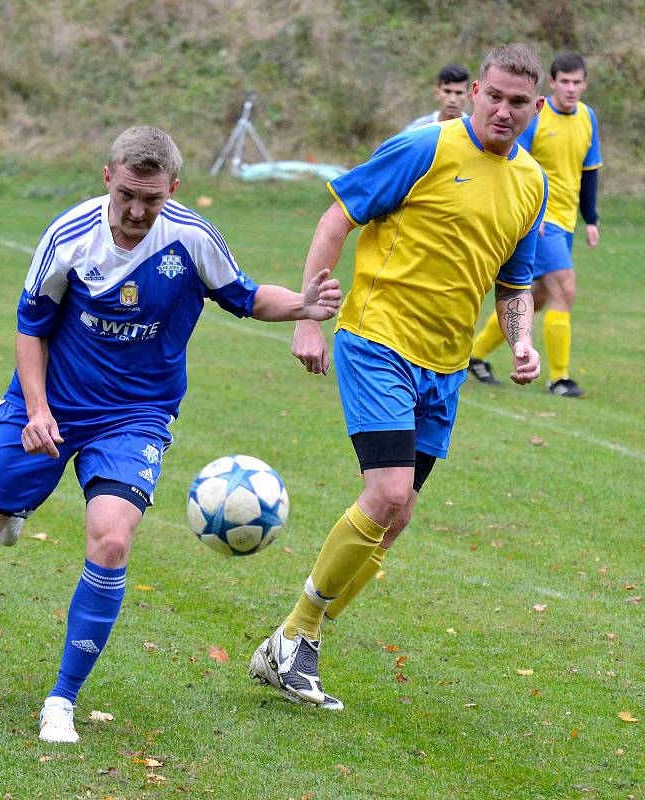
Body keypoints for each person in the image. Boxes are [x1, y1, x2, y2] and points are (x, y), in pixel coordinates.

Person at [0, 125, 341, 743]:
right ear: (107, 176)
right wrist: (39, 411)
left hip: (134, 417)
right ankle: (14, 501)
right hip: (49, 404)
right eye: (126, 193)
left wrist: (304, 306)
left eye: (150, 200)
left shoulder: (192, 238)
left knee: (110, 541)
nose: (135, 211)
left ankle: (61, 700)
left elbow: (246, 295)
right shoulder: (67, 237)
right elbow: (30, 328)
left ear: (172, 190)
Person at [249, 44, 547, 710]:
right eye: (494, 95)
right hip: (379, 340)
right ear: (474, 91)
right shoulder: (424, 148)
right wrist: (306, 317)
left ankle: (295, 642)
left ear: (536, 108)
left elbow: (514, 281)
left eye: (518, 102)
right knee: (386, 494)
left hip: (443, 366)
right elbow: (337, 216)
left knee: (398, 515)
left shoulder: (532, 182)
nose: (503, 110)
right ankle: (296, 637)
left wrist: (521, 341)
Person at [468, 52, 602, 396]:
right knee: (565, 290)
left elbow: (589, 172)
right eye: (565, 81)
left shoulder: (587, 118)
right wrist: (532, 214)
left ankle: (476, 355)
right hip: (541, 220)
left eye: (578, 82)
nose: (571, 88)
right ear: (553, 84)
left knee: (539, 296)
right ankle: (559, 378)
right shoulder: (536, 117)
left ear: (585, 83)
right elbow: (516, 160)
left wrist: (591, 219)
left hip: (567, 220)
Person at [402, 63, 471, 132]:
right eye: (447, 91)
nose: (452, 99)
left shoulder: (476, 132)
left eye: (459, 93)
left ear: (468, 96)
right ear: (437, 93)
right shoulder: (416, 129)